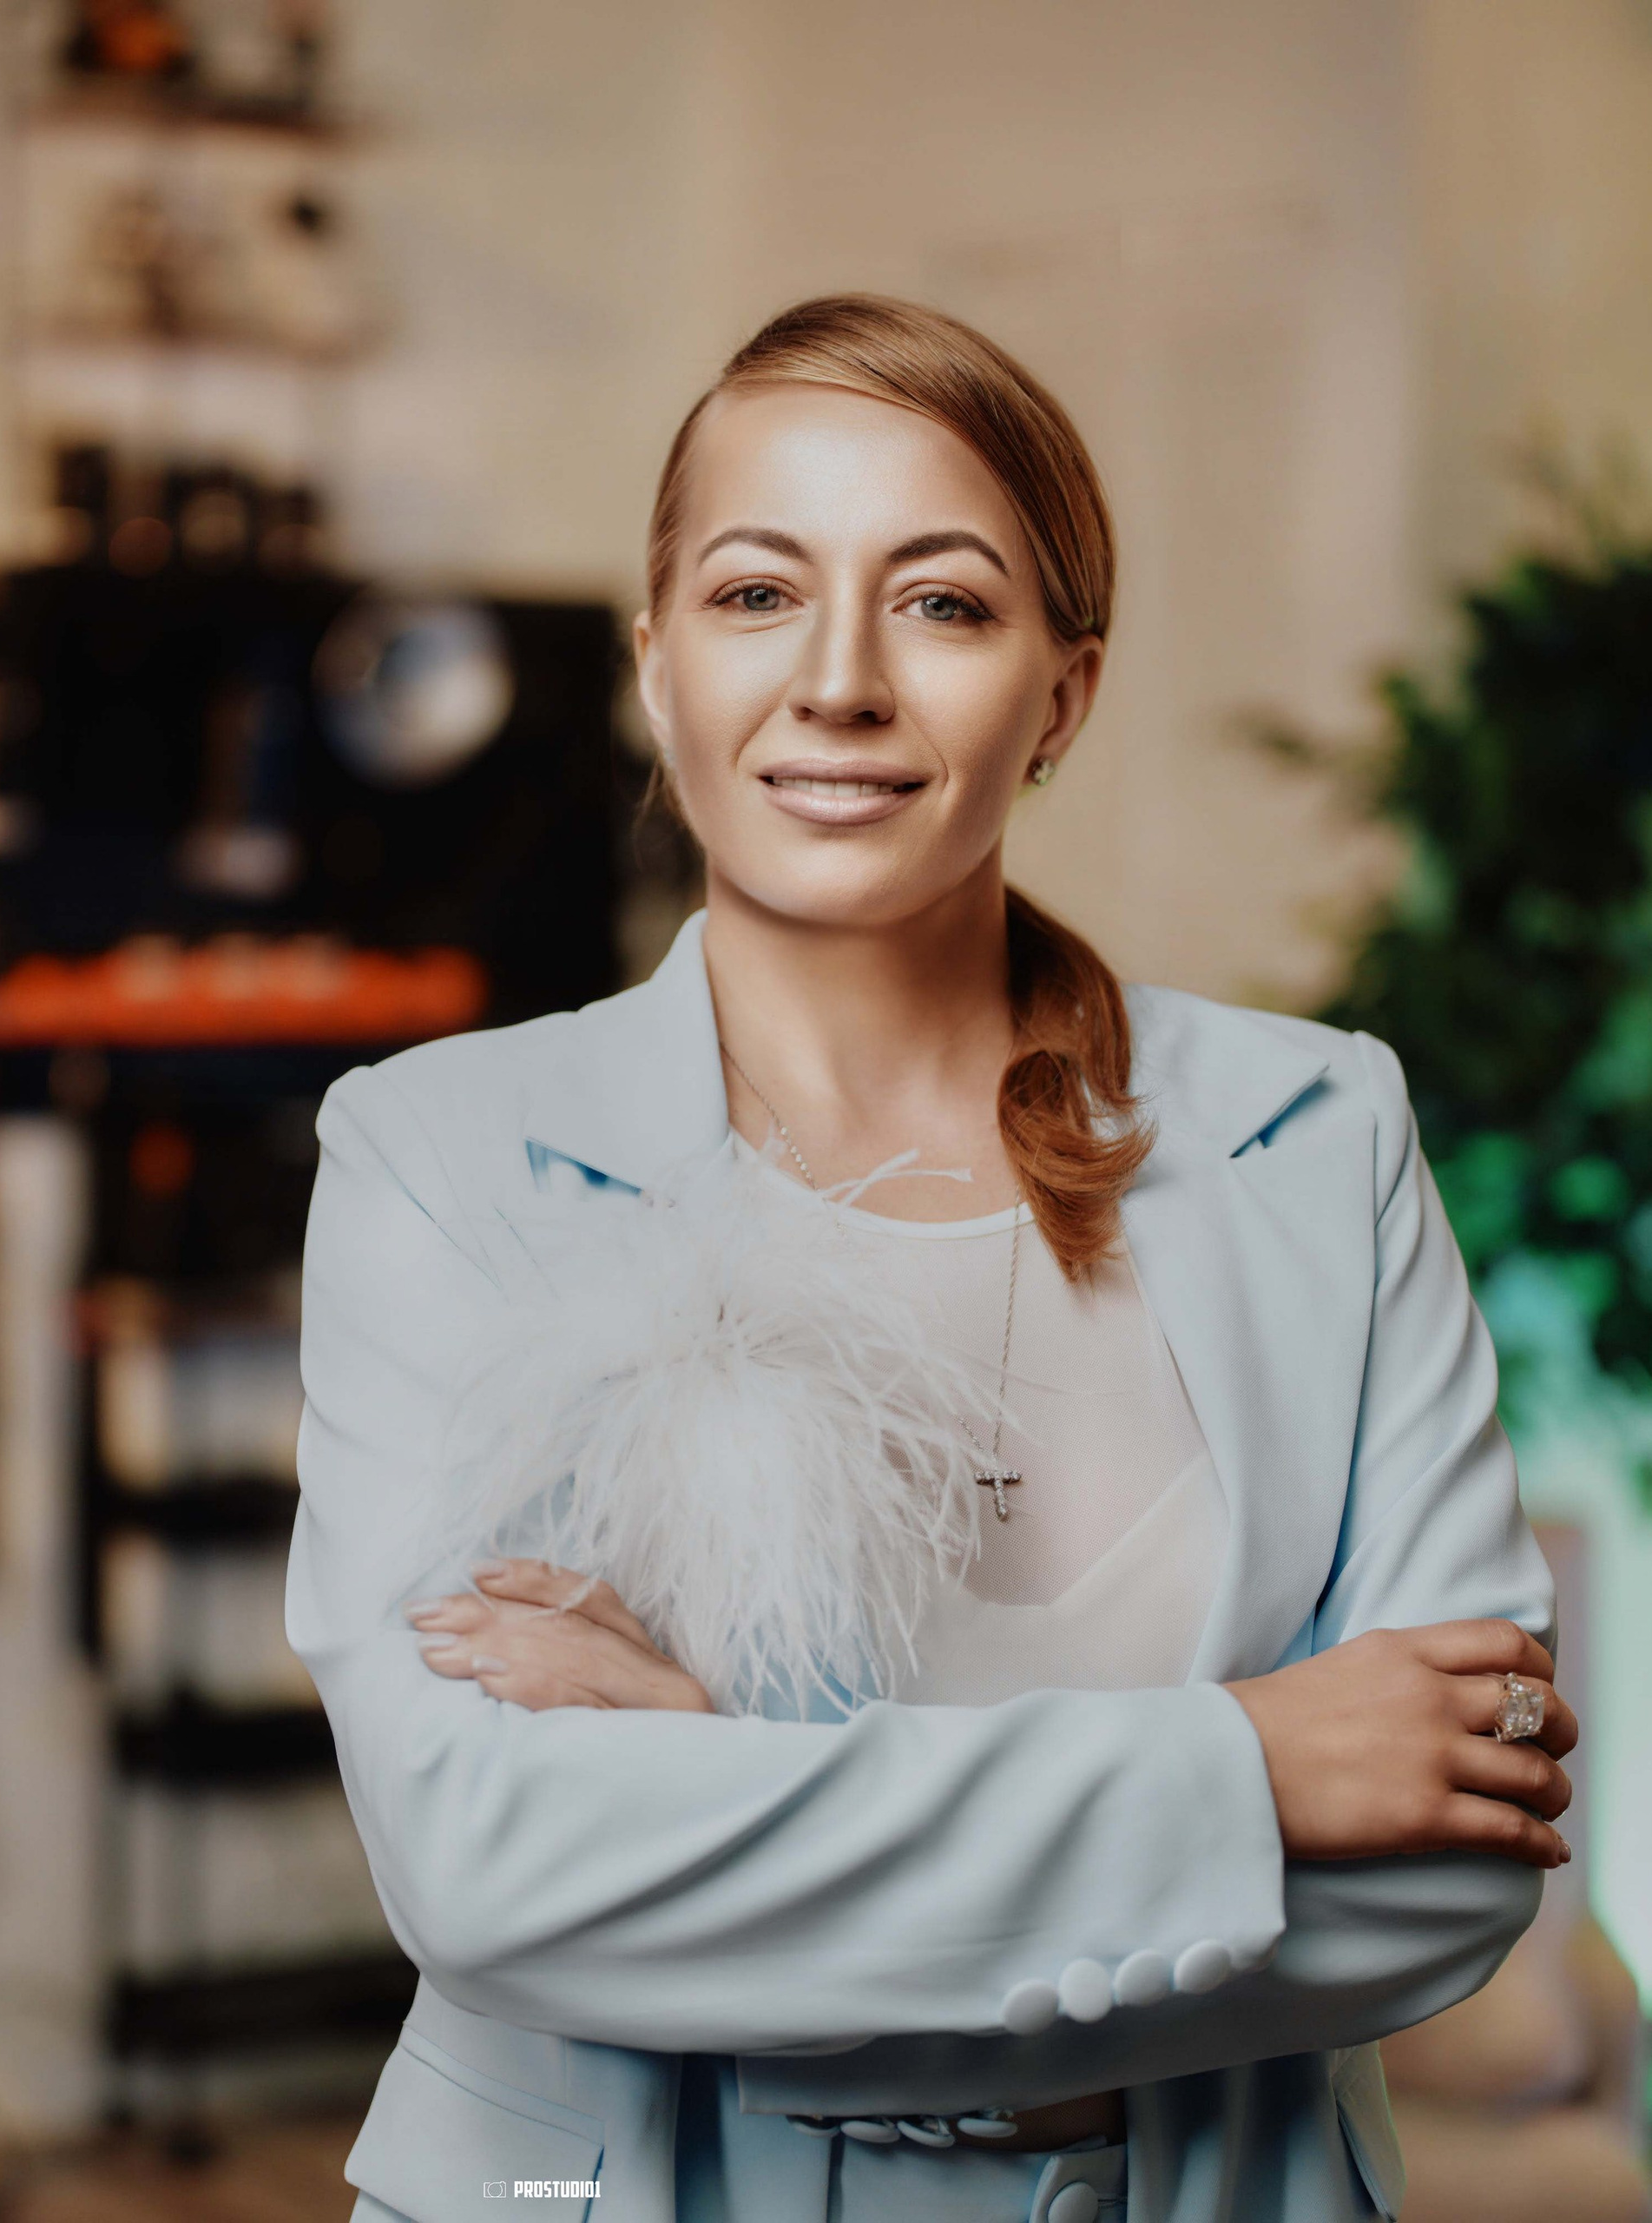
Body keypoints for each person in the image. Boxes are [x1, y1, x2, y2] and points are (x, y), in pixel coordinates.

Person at [287, 294, 1576, 2223]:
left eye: (943, 605)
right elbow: (494, 1871)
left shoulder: (1321, 1136)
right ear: (654, 666)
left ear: (1061, 694)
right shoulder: (437, 1155)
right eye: (754, 593)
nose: (838, 683)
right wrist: (1247, 1770)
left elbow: (1451, 1865)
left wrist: (729, 1810)